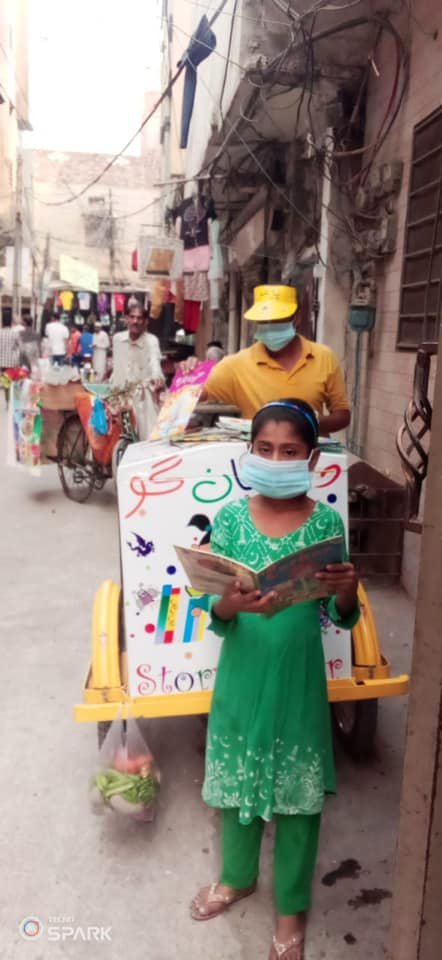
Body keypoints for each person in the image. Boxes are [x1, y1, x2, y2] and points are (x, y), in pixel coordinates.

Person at [190, 399, 359, 960]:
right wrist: (230, 604)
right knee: (235, 777)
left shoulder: (327, 523)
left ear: (311, 459)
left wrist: (344, 590)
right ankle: (237, 877)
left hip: (298, 681)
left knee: (297, 799)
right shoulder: (233, 520)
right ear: (250, 453)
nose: (275, 459)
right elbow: (216, 614)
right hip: (241, 675)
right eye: (264, 450)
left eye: (289, 452)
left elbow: (340, 616)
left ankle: (291, 911)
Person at [187, 286, 350, 435]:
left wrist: (307, 424)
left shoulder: (324, 357)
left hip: (311, 460)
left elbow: (342, 415)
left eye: (278, 320)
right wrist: (188, 375)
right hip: (261, 458)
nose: (270, 326)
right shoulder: (237, 364)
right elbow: (188, 394)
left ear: (297, 317)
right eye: (264, 321)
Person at [111, 303, 165, 439]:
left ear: (146, 322)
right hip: (120, 397)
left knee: (147, 438)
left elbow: (155, 362)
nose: (135, 321)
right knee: (114, 438)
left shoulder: (151, 341)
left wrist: (157, 377)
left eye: (139, 318)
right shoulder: (117, 339)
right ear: (126, 319)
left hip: (142, 399)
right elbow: (117, 366)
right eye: (132, 317)